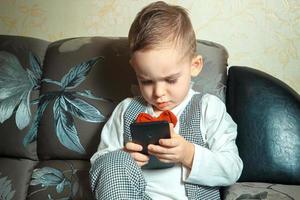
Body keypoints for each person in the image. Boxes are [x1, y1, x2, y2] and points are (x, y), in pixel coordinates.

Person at [89, 1, 243, 199]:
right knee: (113, 163)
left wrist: (188, 154)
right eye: (146, 81)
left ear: (194, 66)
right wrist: (124, 157)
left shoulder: (208, 108)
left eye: (170, 80)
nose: (158, 92)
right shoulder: (126, 109)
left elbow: (232, 168)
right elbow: (99, 164)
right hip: (133, 195)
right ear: (135, 69)